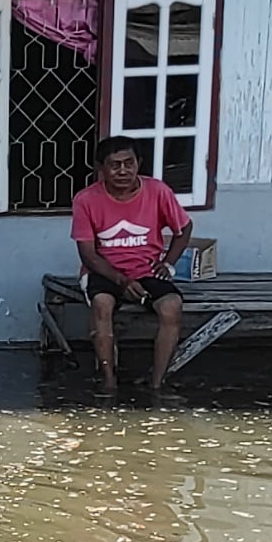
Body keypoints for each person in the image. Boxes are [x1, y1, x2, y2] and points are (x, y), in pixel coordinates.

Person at [69, 136, 193, 392]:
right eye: (115, 165)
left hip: (147, 268)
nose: (123, 171)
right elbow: (88, 255)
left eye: (129, 163)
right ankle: (109, 381)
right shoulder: (86, 199)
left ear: (140, 164)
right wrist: (122, 281)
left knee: (172, 306)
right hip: (103, 269)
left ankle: (157, 383)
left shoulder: (158, 191)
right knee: (103, 305)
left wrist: (168, 264)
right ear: (101, 169)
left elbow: (184, 227)